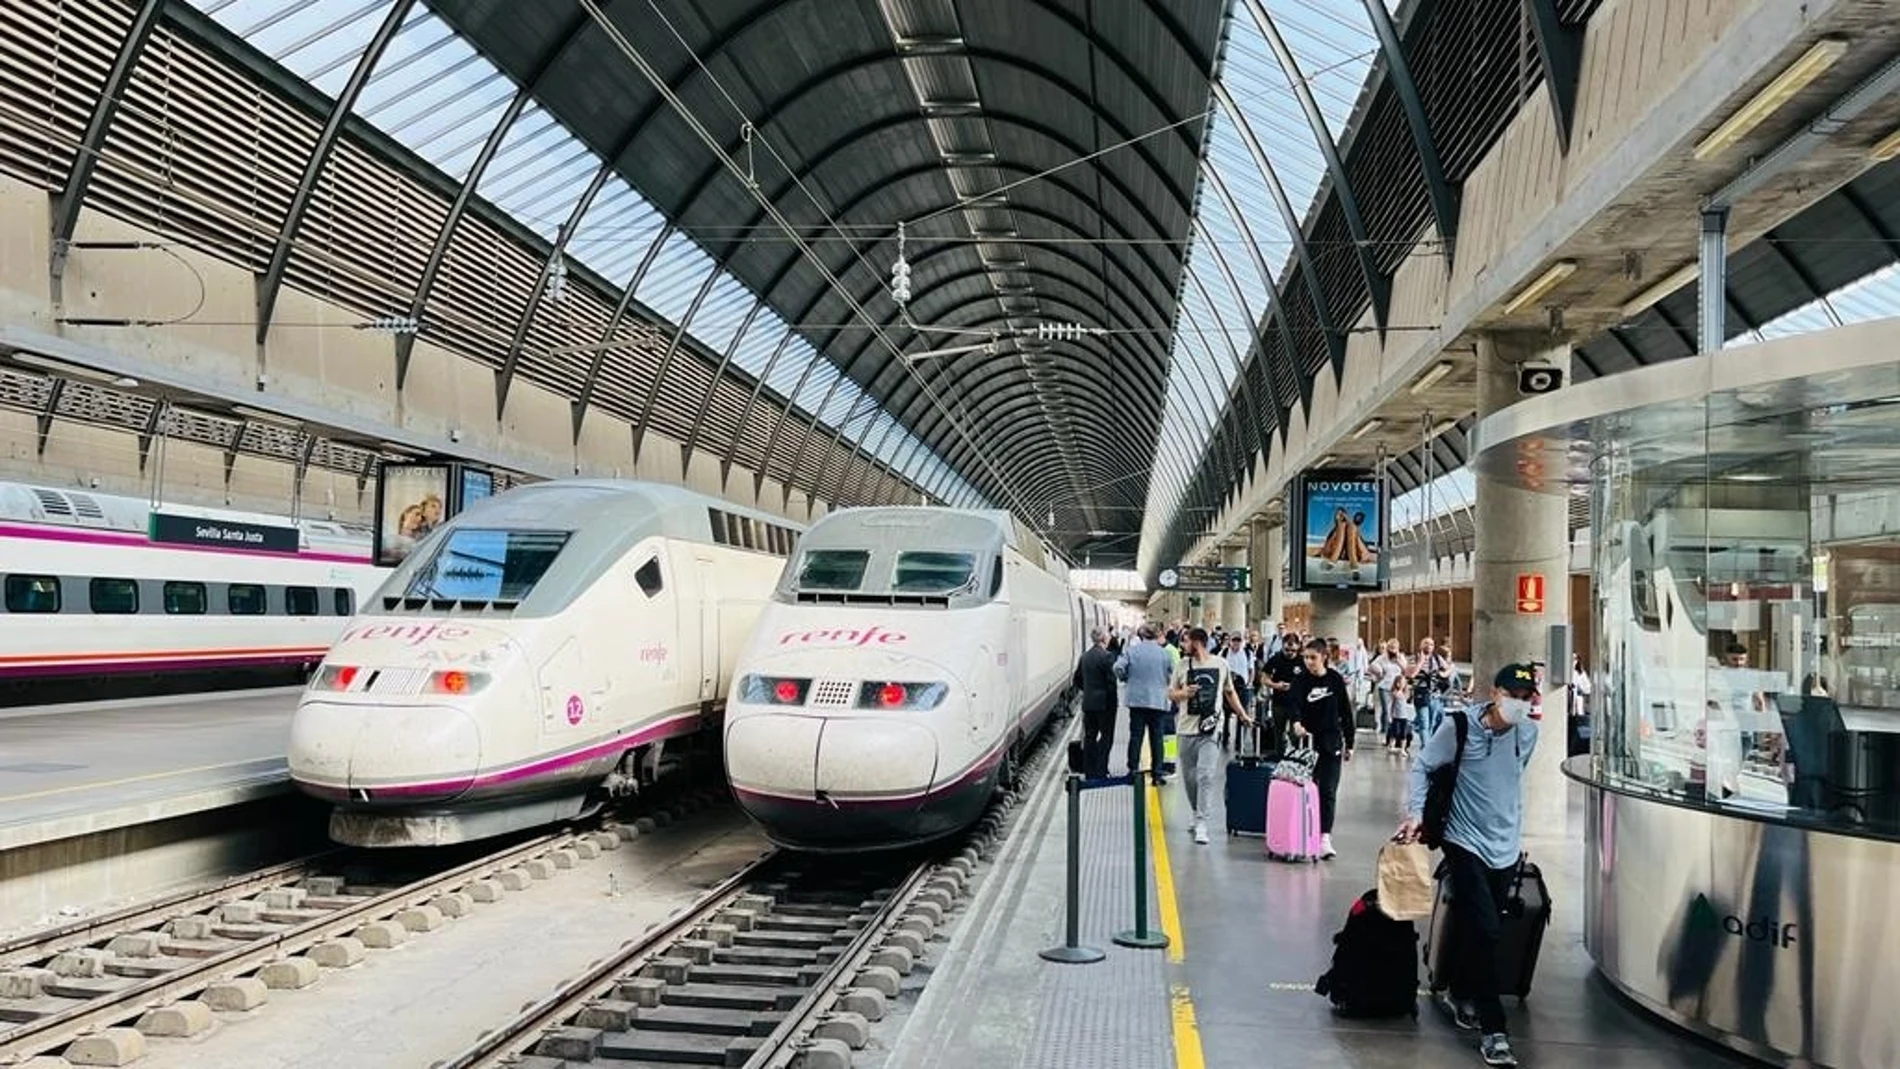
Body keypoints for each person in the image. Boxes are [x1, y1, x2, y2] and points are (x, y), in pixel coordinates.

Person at [1398, 664, 1541, 1068]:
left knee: (1478, 926)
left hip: (1505, 846)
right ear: (1495, 693)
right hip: (1464, 841)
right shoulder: (1459, 727)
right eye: (1512, 695)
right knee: (1488, 929)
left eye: (1526, 698)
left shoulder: (1528, 734)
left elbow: (1510, 780)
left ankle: (1459, 990)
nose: (1519, 704)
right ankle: (1494, 1030)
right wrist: (1416, 813)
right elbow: (1423, 767)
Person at [1166, 627, 1251, 845]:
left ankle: (1202, 821)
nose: (1183, 645)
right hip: (1186, 729)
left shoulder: (1220, 664)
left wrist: (1242, 715)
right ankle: (1195, 810)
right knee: (1189, 777)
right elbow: (1171, 693)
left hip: (1211, 729)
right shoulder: (1181, 665)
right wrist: (1184, 693)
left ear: (1197, 643)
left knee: (1205, 775)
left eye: (1186, 641)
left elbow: (1229, 692)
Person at [1288, 638, 1354, 859]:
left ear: (1324, 657)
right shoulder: (1300, 680)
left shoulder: (1335, 680)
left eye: (1313, 658)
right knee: (1304, 789)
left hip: (1331, 742)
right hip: (1306, 743)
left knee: (1328, 790)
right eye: (1306, 658)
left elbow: (1345, 711)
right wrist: (1296, 723)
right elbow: (1294, 704)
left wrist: (1350, 742)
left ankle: (1324, 837)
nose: (1309, 662)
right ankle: (1302, 832)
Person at [1116, 626, 1173, 785]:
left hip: (1137, 701)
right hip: (1158, 701)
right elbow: (1173, 673)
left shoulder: (1132, 651)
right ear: (1155, 636)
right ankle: (1157, 775)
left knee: (1136, 737)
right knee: (1157, 739)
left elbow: (1118, 667)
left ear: (1141, 636)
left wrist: (1126, 678)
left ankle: (1133, 772)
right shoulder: (1164, 653)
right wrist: (1164, 682)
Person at [1073, 628, 1119, 778]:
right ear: (1104, 639)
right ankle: (1101, 770)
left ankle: (1089, 770)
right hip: (1105, 705)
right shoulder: (1107, 657)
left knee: (1090, 737)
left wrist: (1088, 691)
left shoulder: (1084, 657)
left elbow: (1077, 679)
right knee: (1106, 737)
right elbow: (1111, 682)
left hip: (1089, 704)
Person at [1263, 630, 1307, 750]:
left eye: (1293, 650)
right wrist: (1276, 685)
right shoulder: (1276, 658)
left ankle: (1295, 754)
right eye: (1287, 650)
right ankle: (1279, 754)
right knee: (1278, 732)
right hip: (1279, 701)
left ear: (1298, 647)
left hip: (1297, 704)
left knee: (1295, 733)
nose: (1290, 653)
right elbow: (1264, 678)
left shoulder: (1303, 660)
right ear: (1282, 645)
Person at [1222, 632, 1255, 747]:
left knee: (1242, 713)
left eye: (1238, 640)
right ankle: (1225, 736)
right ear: (1230, 641)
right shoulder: (1224, 653)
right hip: (1228, 687)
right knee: (1226, 714)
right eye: (1234, 640)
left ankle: (1239, 740)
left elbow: (1251, 670)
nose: (1236, 643)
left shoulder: (1247, 653)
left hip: (1243, 688)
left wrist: (1249, 683)